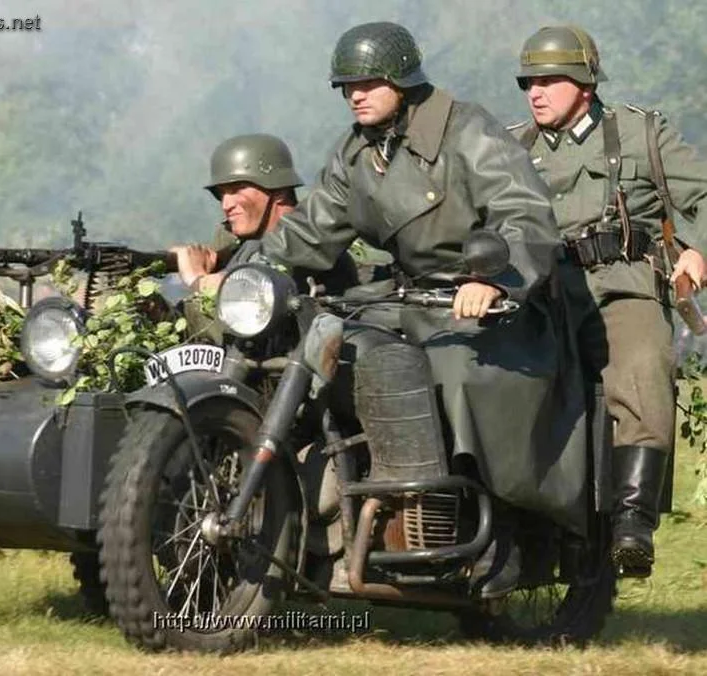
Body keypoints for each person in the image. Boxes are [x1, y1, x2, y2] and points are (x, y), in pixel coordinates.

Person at [255, 21, 585, 599]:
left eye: (366, 83)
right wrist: (245, 276)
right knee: (323, 351)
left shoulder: (467, 130)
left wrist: (494, 280)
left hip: (492, 303)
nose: (354, 94)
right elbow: (308, 230)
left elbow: (525, 215)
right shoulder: (357, 150)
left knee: (458, 374)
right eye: (345, 86)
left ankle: (502, 531)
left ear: (402, 81)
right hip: (404, 299)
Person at [510, 24, 707, 578]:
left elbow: (703, 195)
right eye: (529, 81)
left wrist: (696, 251)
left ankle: (631, 524)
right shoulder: (509, 149)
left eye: (550, 80)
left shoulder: (643, 134)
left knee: (644, 365)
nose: (535, 92)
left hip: (622, 286)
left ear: (585, 84)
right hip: (539, 294)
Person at [172, 133, 358, 295]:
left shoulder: (303, 251)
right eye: (221, 194)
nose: (226, 204)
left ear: (278, 191)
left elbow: (241, 308)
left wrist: (197, 279)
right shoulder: (243, 247)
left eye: (237, 189)